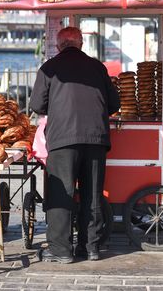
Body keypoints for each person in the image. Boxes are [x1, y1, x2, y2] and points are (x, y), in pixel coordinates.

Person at [30, 27, 120, 263]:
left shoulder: (49, 68)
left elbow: (37, 105)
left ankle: (61, 250)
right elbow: (114, 103)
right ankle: (91, 247)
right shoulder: (98, 67)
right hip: (96, 139)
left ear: (59, 46)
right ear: (80, 44)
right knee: (92, 194)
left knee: (61, 193)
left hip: (63, 139)